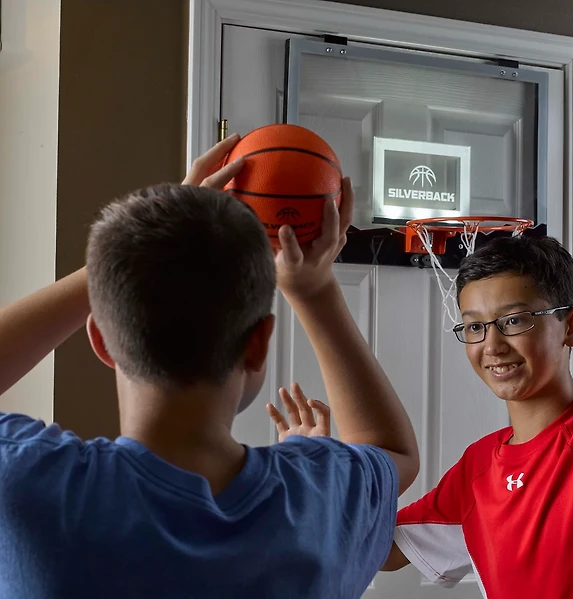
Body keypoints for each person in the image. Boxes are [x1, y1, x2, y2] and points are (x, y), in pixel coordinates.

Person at [0, 135, 419, 599]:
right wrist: (314, 291)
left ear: (100, 339)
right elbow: (392, 450)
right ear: (258, 344)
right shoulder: (318, 498)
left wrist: (120, 265)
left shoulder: (30, 487)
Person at [273, 235, 573, 598]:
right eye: (474, 327)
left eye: (514, 320)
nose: (492, 344)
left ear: (571, 325)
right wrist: (322, 475)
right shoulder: (477, 470)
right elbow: (378, 551)